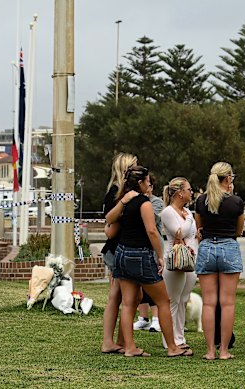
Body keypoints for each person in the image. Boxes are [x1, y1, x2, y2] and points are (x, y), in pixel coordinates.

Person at [113, 165, 192, 357]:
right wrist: (159, 255)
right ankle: (172, 347)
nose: (150, 185)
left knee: (129, 302)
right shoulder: (144, 203)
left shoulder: (124, 202)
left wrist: (122, 202)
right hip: (141, 254)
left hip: (122, 252)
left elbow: (109, 219)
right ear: (140, 183)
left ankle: (129, 347)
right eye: (148, 182)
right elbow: (151, 231)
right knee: (163, 301)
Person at [195, 161, 244, 360]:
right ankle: (224, 350)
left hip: (207, 247)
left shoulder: (201, 201)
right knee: (227, 303)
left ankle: (209, 351)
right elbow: (239, 231)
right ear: (228, 179)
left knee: (208, 303)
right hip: (228, 247)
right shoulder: (236, 202)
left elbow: (199, 229)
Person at [100, 152, 137, 354]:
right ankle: (113, 341)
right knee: (120, 296)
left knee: (120, 296)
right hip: (117, 249)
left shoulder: (117, 191)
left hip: (117, 248)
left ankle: (117, 340)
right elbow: (111, 225)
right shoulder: (117, 193)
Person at [160, 177, 197, 349]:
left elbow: (192, 233)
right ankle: (170, 340)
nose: (192, 192)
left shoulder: (186, 211)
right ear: (180, 193)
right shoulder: (169, 212)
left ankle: (180, 337)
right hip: (175, 260)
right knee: (172, 300)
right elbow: (179, 232)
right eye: (189, 190)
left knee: (183, 299)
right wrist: (189, 218)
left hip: (189, 260)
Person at [133, 173, 162, 333]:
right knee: (139, 285)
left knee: (153, 283)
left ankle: (156, 319)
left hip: (152, 247)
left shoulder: (156, 203)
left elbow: (153, 222)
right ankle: (143, 318)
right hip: (138, 246)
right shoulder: (136, 201)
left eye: (150, 185)